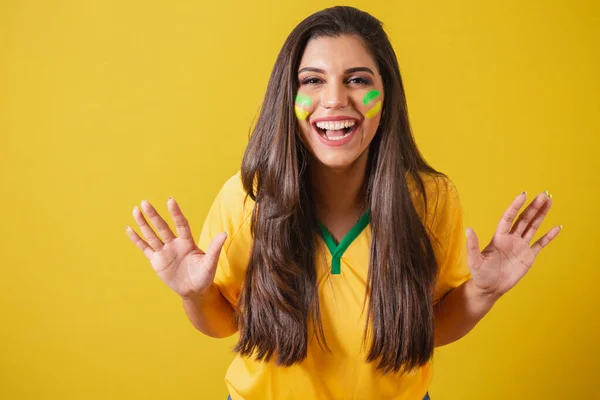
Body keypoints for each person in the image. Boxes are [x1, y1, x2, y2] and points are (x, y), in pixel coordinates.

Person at [125, 6, 560, 400]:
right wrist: (194, 295)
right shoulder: (245, 200)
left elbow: (428, 331)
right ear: (288, 98)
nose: (334, 99)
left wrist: (482, 293)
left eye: (357, 79)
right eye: (312, 80)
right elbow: (224, 324)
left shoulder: (431, 202)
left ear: (386, 94)